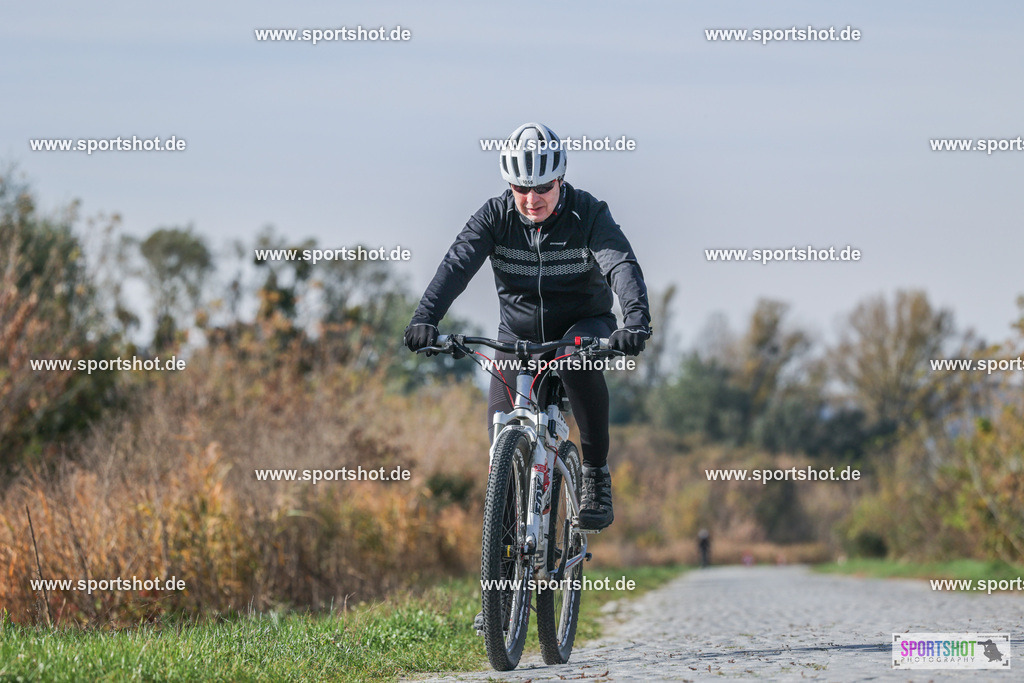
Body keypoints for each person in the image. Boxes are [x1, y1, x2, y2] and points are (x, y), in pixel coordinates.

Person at [404, 122, 651, 531]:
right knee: (501, 437)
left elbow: (620, 263)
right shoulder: (495, 217)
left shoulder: (588, 213)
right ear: (510, 185)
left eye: (543, 187)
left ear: (561, 179)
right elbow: (456, 266)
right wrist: (424, 319)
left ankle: (594, 474)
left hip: (580, 326)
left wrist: (636, 321)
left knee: (574, 362)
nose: (532, 199)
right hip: (517, 336)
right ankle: (506, 543)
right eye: (521, 189)